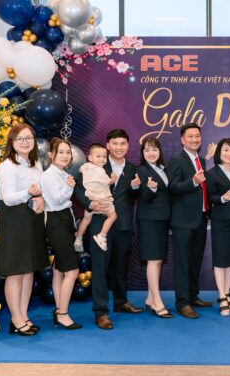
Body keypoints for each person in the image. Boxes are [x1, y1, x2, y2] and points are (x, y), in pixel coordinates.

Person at [74, 129, 143, 330]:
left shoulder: (133, 168)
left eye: (123, 143)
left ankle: (121, 302)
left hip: (123, 224)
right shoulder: (97, 163)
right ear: (108, 145)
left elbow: (133, 196)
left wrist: (136, 187)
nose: (119, 147)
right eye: (115, 143)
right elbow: (78, 188)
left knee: (121, 267)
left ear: (128, 146)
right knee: (100, 268)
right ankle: (101, 312)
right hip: (99, 223)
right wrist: (90, 204)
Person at [0, 124, 47, 336]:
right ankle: (16, 319)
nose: (25, 142)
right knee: (16, 271)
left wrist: (40, 196)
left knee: (28, 270)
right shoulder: (7, 166)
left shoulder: (35, 163)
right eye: (20, 139)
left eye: (29, 138)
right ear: (12, 142)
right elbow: (8, 198)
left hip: (32, 218)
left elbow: (40, 188)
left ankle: (23, 316)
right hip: (14, 220)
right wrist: (29, 193)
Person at [167, 123, 212, 319]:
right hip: (183, 221)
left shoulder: (200, 159)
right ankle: (182, 303)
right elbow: (173, 187)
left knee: (195, 261)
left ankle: (193, 296)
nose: (195, 139)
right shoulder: (176, 160)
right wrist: (193, 182)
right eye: (190, 136)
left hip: (200, 218)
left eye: (197, 136)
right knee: (183, 263)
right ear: (182, 139)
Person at [40, 137, 82, 330]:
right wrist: (69, 187)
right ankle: (63, 314)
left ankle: (59, 310)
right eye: (61, 152)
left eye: (68, 152)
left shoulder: (62, 173)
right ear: (51, 155)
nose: (65, 156)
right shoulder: (49, 175)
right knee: (72, 271)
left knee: (59, 269)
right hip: (56, 221)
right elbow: (57, 200)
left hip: (64, 220)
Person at [136, 137, 174, 318]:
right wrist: (150, 189)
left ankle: (150, 298)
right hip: (149, 221)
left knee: (158, 260)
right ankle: (158, 302)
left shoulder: (163, 169)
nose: (151, 153)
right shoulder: (141, 170)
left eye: (154, 149)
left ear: (160, 151)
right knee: (153, 260)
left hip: (162, 220)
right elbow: (142, 197)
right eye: (147, 150)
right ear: (142, 153)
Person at [206, 138, 230, 317]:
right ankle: (221, 295)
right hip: (220, 220)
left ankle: (227, 292)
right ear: (219, 153)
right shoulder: (212, 173)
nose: (229, 154)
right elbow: (210, 197)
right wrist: (222, 198)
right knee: (220, 259)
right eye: (226, 150)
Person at [75, 144, 118, 252]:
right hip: (102, 199)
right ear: (90, 157)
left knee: (86, 219)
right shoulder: (100, 171)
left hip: (91, 199)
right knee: (113, 216)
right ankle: (102, 236)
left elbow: (82, 173)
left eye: (104, 157)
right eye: (98, 156)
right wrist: (113, 178)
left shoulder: (85, 167)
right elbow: (108, 182)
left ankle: (78, 238)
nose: (101, 159)